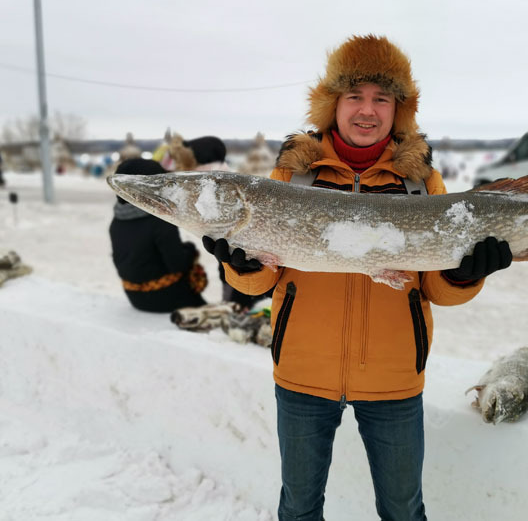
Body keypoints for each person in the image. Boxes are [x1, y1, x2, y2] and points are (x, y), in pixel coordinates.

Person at [202, 34, 512, 521]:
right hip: (302, 375)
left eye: (381, 99)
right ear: (334, 104)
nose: (367, 111)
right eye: (355, 97)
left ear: (397, 110)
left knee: (403, 511)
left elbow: (434, 289)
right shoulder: (292, 176)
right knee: (299, 508)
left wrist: (462, 274)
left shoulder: (420, 182)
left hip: (394, 379)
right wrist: (241, 269)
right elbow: (262, 281)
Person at [179, 135, 273, 310]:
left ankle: (237, 306)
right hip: (242, 262)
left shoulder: (212, 185)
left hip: (245, 263)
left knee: (231, 270)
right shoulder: (225, 180)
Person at [109, 158, 207, 313]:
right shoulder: (160, 220)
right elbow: (177, 264)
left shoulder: (118, 219)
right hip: (165, 297)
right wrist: (189, 251)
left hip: (134, 296)